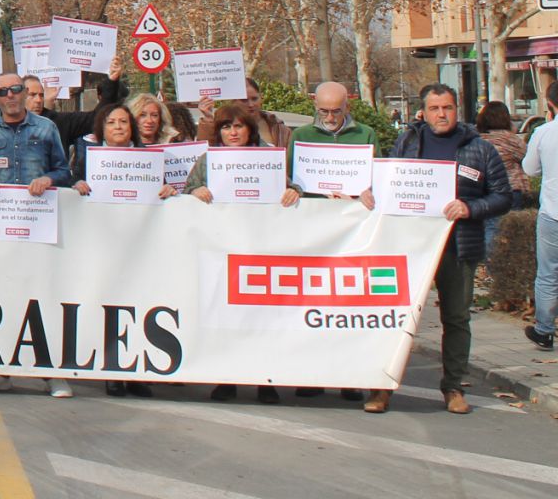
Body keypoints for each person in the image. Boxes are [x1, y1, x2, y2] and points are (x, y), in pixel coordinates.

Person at [366, 84, 512, 414]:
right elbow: (387, 182)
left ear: (457, 109)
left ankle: (454, 387)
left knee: (456, 317)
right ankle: (382, 388)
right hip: (409, 246)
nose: (441, 114)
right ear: (424, 111)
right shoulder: (408, 141)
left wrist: (470, 208)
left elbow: (504, 196)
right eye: (434, 108)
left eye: (447, 107)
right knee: (397, 316)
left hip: (457, 246)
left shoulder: (480, 148)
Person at [0, 71, 73, 398]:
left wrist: (50, 180)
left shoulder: (46, 128)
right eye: (3, 91)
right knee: (0, 300)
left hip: (39, 230)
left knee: (44, 300)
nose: (11, 95)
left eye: (16, 89)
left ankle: (52, 373)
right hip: (0, 231)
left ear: (25, 94)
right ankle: (0, 371)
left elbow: (65, 172)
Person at [183, 104, 292, 404]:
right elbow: (186, 191)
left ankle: (265, 380)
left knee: (262, 317)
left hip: (260, 248)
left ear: (250, 130)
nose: (232, 132)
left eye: (239, 126)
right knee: (225, 317)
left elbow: (290, 186)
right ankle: (226, 378)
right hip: (221, 250)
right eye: (226, 127)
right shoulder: (208, 161)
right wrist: (194, 192)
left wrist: (291, 191)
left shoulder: (269, 159)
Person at [282, 80, 380, 403]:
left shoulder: (364, 135)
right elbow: (291, 179)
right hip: (313, 234)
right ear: (314, 106)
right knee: (312, 307)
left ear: (347, 107)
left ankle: (348, 377)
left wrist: (366, 192)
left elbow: (377, 178)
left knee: (347, 307)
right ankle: (312, 375)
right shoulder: (301, 137)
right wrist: (293, 190)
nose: (329, 117)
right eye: (323, 111)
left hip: (352, 233)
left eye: (336, 111)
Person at [524, 78, 558, 352]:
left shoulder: (544, 132)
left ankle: (545, 330)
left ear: (550, 105)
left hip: (552, 213)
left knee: (548, 274)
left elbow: (529, 169)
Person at [475, 101, 531, 257]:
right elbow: (527, 160)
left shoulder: (478, 140)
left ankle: (490, 263)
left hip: (485, 190)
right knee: (513, 229)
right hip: (511, 189)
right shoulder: (511, 140)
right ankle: (509, 262)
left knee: (490, 227)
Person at [23, 67, 125, 148]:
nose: (38, 100)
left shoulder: (59, 122)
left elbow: (96, 117)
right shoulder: (8, 126)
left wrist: (112, 81)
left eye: (41, 95)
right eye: (32, 95)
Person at [192, 78, 291, 148]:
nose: (251, 104)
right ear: (234, 101)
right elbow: (206, 149)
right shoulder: (219, 123)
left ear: (261, 98)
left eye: (254, 99)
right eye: (244, 100)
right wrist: (208, 119)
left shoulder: (279, 127)